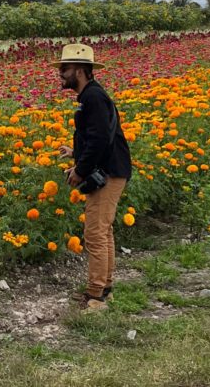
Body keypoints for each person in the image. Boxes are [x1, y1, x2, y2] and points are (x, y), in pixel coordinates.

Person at [54, 43, 132, 311]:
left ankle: (96, 296)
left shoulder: (93, 98)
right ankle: (104, 288)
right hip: (113, 168)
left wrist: (80, 170)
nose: (60, 74)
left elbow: (100, 139)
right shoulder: (91, 96)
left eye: (64, 69)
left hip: (109, 173)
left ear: (80, 70)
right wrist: (75, 151)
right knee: (104, 231)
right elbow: (100, 136)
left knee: (95, 233)